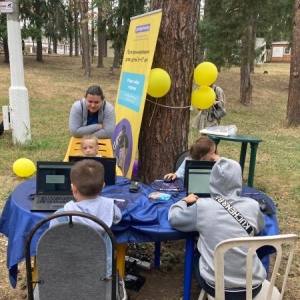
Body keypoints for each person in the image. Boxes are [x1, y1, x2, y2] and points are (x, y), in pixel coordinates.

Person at [168, 157, 266, 300]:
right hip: (253, 286)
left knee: (195, 253)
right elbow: (258, 228)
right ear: (239, 179)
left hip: (215, 287)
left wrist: (183, 201)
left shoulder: (203, 207)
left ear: (211, 180)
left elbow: (174, 219)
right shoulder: (252, 206)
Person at [49, 159, 122, 277]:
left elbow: (52, 240)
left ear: (73, 188)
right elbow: (117, 217)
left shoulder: (61, 215)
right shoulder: (110, 207)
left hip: (68, 272)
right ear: (103, 186)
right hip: (102, 271)